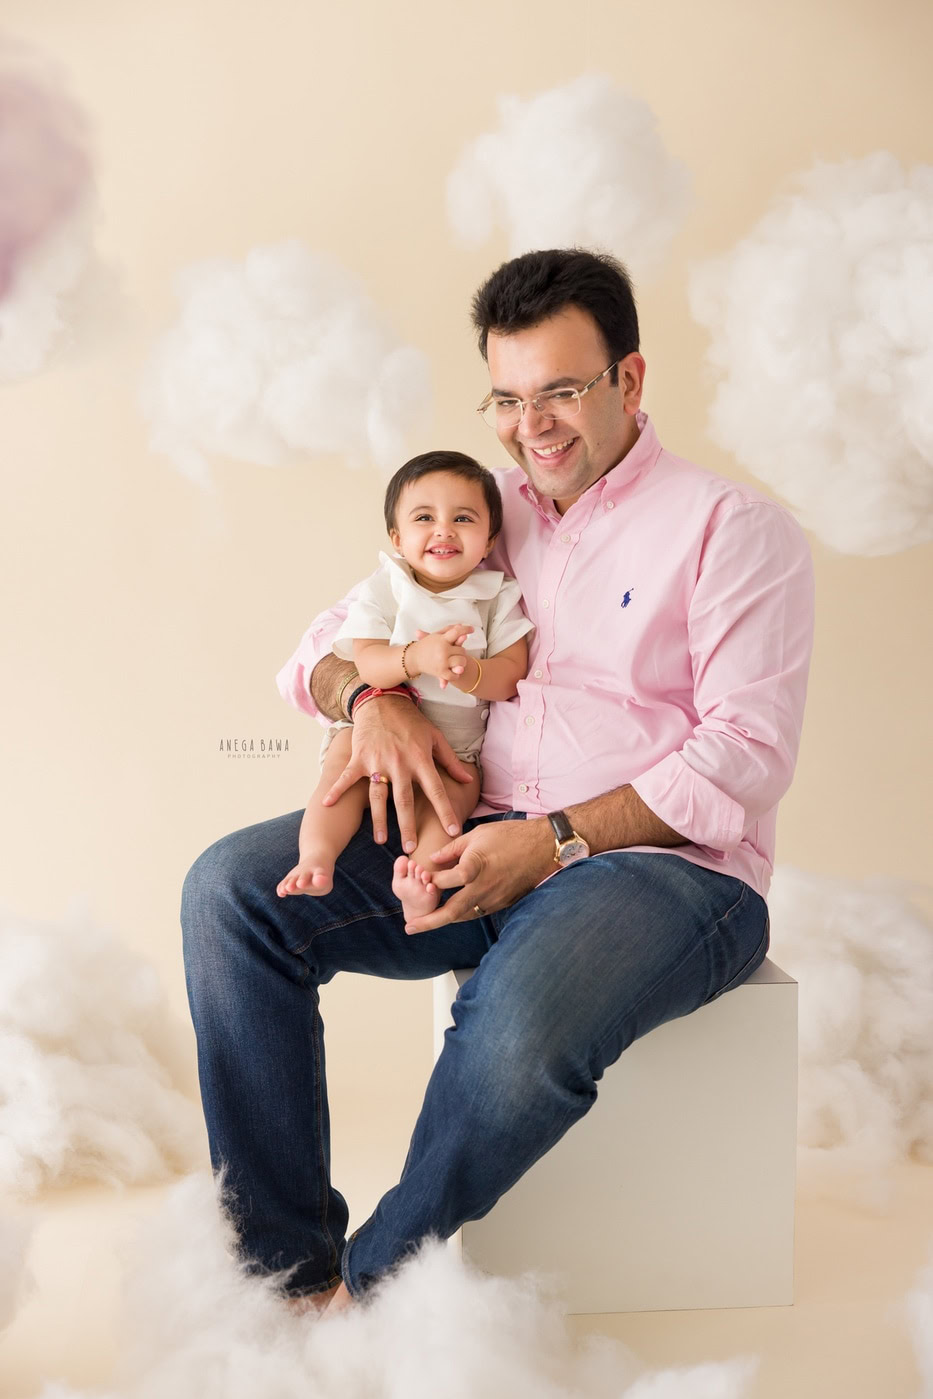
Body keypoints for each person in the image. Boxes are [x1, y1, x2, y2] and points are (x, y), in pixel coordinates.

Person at [181, 247, 814, 1319]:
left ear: (631, 379)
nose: (536, 425)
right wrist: (369, 700)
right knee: (230, 892)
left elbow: (748, 753)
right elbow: (319, 652)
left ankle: (368, 1288)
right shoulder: (476, 511)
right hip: (468, 835)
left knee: (517, 1021)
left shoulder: (731, 530)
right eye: (510, 398)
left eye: (562, 389)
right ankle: (282, 1275)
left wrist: (558, 839)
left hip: (666, 872)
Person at [275, 449, 533, 926]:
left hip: (456, 751)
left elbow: (512, 670)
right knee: (341, 774)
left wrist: (469, 672)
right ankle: (317, 857)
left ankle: (420, 881)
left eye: (463, 518)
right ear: (397, 537)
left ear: (489, 538)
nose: (443, 530)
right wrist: (416, 658)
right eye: (424, 518)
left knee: (457, 799)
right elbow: (367, 662)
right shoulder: (386, 587)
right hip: (375, 732)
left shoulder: (496, 595)